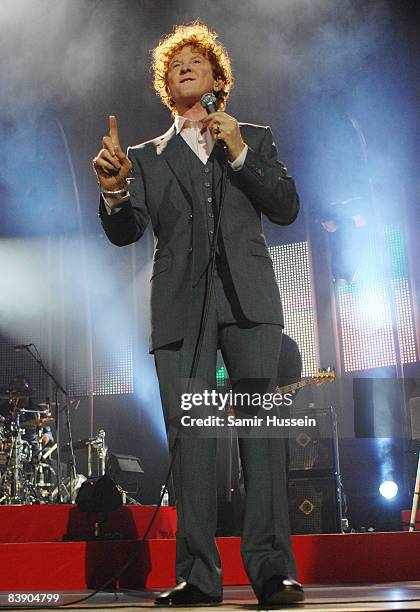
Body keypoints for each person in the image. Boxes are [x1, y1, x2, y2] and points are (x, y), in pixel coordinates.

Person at [93, 22, 303, 606]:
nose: (186, 65)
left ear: (216, 79)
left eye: (198, 61)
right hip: (182, 311)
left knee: (261, 438)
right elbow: (125, 231)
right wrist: (114, 192)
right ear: (167, 83)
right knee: (194, 443)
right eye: (176, 63)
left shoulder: (253, 138)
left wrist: (236, 152)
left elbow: (286, 207)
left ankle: (272, 573)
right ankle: (198, 576)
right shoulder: (145, 158)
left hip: (250, 305)